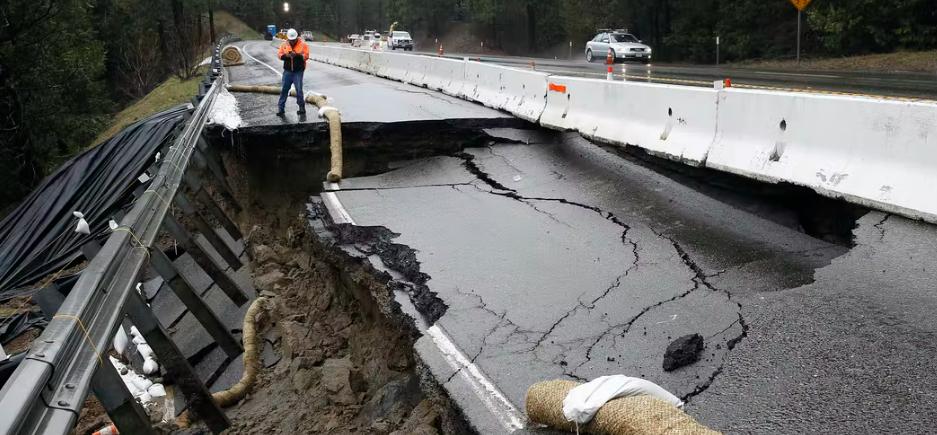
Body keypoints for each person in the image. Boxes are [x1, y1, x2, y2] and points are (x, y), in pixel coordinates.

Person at [276, 28, 310, 116]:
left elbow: (306, 56)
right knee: (284, 89)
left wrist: (297, 55)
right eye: (290, 40)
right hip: (287, 71)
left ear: (296, 37)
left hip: (298, 71)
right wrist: (286, 56)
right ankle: (281, 109)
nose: (292, 41)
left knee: (299, 90)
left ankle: (301, 108)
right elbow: (279, 55)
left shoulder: (303, 45)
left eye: (293, 40)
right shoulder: (284, 44)